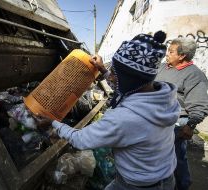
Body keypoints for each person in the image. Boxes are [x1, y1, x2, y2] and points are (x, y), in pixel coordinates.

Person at [40, 31, 180, 190]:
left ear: (129, 79)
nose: (111, 77)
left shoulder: (126, 118)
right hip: (162, 177)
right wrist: (102, 69)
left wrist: (53, 123)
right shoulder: (160, 96)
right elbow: (123, 86)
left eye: (114, 72)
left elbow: (80, 140)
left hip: (140, 185)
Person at [156, 37, 208, 190]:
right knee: (160, 155)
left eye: (171, 52)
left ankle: (183, 185)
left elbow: (199, 104)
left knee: (176, 157)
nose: (167, 54)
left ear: (182, 55)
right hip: (158, 119)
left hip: (177, 123)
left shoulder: (194, 75)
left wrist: (191, 125)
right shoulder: (163, 67)